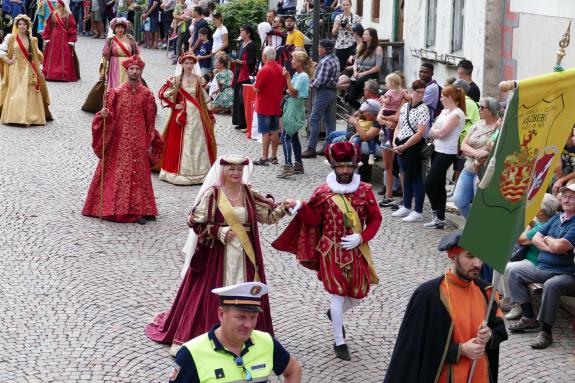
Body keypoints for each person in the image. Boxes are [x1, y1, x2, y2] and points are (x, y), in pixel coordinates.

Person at [145, 155, 293, 355]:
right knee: (212, 294)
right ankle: (213, 335)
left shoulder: (249, 192)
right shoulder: (213, 195)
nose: (236, 173)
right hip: (217, 255)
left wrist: (285, 207)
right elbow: (194, 221)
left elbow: (267, 216)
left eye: (239, 170)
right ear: (223, 171)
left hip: (245, 255)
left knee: (245, 294)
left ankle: (244, 335)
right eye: (231, 169)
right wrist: (219, 232)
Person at [273, 141, 382, 361]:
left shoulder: (365, 190)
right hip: (330, 250)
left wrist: (361, 237)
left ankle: (335, 314)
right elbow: (314, 220)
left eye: (348, 167)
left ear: (355, 166)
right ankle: (339, 342)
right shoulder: (323, 192)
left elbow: (375, 218)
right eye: (340, 167)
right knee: (338, 293)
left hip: (356, 249)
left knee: (360, 292)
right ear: (332, 167)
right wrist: (301, 207)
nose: (344, 171)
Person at [384, 231, 508, 382]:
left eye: (480, 257)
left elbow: (500, 330)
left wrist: (489, 336)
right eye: (470, 256)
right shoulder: (429, 295)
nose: (478, 263)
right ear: (453, 257)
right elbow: (416, 347)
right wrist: (460, 350)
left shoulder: (486, 292)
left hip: (479, 375)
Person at [82, 55, 163, 224]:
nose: (134, 71)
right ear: (127, 71)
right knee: (120, 171)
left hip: (139, 138)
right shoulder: (116, 92)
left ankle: (141, 208)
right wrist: (103, 116)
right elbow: (109, 115)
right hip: (120, 139)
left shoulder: (147, 94)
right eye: (132, 69)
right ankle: (117, 208)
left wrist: (149, 140)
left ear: (141, 71)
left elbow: (150, 120)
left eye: (137, 69)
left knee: (139, 172)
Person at [168, 282, 302, 383]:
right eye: (241, 317)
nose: (249, 325)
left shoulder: (267, 342)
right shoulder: (191, 353)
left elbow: (294, 370)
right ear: (221, 313)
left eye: (253, 317)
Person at [507, 183, 575, 349]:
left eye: (571, 197)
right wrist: (551, 245)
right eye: (565, 196)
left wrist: (549, 241)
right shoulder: (556, 218)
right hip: (543, 268)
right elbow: (536, 238)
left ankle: (546, 332)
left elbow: (560, 247)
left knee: (552, 285)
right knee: (514, 270)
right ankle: (529, 317)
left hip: (566, 274)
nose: (566, 199)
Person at [156, 53, 216, 185]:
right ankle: (180, 173)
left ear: (194, 65)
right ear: (182, 64)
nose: (189, 65)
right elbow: (162, 93)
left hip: (197, 116)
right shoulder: (176, 80)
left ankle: (201, 172)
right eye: (186, 63)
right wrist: (174, 105)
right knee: (180, 142)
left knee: (198, 142)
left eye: (191, 63)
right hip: (181, 116)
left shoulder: (198, 79)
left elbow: (204, 97)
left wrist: (210, 113)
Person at [497, 194, 560, 319]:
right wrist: (531, 222)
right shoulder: (544, 221)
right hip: (530, 258)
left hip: (535, 262)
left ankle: (514, 304)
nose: (531, 207)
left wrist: (527, 223)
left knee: (506, 266)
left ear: (541, 212)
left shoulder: (543, 226)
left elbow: (520, 239)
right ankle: (503, 297)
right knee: (499, 257)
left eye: (535, 206)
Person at [424, 85, 466, 229]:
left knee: (429, 183)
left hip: (447, 152)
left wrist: (436, 131)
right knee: (439, 185)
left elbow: (442, 133)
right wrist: (436, 131)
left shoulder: (457, 114)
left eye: (443, 96)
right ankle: (439, 218)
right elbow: (432, 131)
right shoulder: (445, 111)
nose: (440, 98)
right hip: (437, 149)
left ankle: (435, 212)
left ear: (450, 98)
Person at [390, 80, 430, 223]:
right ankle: (406, 205)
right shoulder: (405, 106)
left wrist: (405, 145)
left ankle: (418, 210)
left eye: (423, 93)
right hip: (400, 143)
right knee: (405, 175)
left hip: (413, 146)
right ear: (411, 91)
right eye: (418, 92)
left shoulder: (423, 109)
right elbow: (398, 126)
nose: (420, 95)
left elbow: (420, 133)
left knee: (416, 178)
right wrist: (395, 141)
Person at [0, 14, 52, 126]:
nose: (22, 26)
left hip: (29, 69)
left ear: (27, 26)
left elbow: (35, 56)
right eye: (20, 24)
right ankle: (14, 117)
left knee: (29, 93)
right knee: (15, 93)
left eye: (24, 24)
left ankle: (29, 118)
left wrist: (39, 71)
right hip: (15, 70)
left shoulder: (32, 40)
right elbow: (2, 51)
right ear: (17, 26)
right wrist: (7, 60)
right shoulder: (11, 38)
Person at [452, 97, 499, 218]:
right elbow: (463, 145)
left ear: (492, 110)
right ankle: (472, 225)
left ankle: (479, 229)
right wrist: (475, 153)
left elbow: (497, 147)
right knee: (459, 200)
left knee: (479, 204)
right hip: (468, 168)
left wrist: (482, 153)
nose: (479, 109)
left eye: (482, 107)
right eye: (479, 106)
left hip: (483, 171)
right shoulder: (477, 124)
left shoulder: (499, 127)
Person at [301, 39, 339, 158]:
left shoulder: (326, 61)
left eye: (320, 47)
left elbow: (320, 81)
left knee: (314, 118)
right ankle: (329, 146)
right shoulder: (335, 58)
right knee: (328, 121)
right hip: (331, 92)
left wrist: (310, 86)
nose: (318, 49)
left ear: (325, 49)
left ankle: (311, 148)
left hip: (323, 92)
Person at [277, 51, 312, 178]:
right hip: (294, 106)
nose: (291, 61)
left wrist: (286, 77)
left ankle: (288, 166)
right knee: (294, 136)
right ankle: (298, 164)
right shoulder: (298, 74)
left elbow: (293, 92)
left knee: (285, 137)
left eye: (293, 59)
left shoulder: (302, 76)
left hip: (294, 107)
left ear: (300, 62)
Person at [377, 73, 409, 207]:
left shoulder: (403, 96)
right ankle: (389, 195)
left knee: (402, 167)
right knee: (388, 166)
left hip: (399, 135)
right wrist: (384, 120)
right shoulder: (393, 94)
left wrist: (384, 119)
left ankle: (405, 197)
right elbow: (379, 116)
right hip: (387, 133)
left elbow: (396, 118)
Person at [252, 46, 286, 166]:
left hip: (264, 105)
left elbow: (256, 88)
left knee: (265, 132)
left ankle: (264, 157)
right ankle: (274, 156)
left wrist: (254, 85)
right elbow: (283, 87)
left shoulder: (264, 70)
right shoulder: (280, 69)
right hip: (276, 104)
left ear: (265, 56)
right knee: (275, 130)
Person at [344, 28, 383, 110]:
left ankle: (366, 109)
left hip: (371, 74)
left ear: (371, 36)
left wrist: (363, 74)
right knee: (350, 98)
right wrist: (355, 71)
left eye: (366, 34)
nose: (363, 36)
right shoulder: (361, 46)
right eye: (364, 34)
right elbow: (356, 62)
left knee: (358, 82)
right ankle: (362, 110)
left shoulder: (378, 49)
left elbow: (377, 67)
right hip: (359, 72)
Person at [42, 0, 79, 82]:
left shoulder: (68, 15)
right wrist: (47, 37)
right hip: (53, 38)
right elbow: (48, 26)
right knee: (53, 55)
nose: (56, 3)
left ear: (62, 4)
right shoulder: (53, 14)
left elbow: (72, 28)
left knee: (63, 55)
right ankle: (50, 73)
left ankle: (63, 74)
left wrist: (71, 40)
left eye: (58, 2)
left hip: (64, 39)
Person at [100, 17, 139, 89]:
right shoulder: (111, 40)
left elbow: (136, 54)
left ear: (125, 29)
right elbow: (105, 56)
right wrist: (102, 72)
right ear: (114, 29)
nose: (120, 29)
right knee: (116, 87)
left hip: (128, 67)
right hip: (115, 66)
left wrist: (136, 69)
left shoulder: (130, 39)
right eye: (118, 27)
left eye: (122, 27)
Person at [231, 25, 256, 131]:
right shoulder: (241, 44)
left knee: (243, 98)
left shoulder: (252, 45)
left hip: (245, 74)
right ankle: (239, 121)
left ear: (248, 33)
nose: (241, 33)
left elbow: (252, 61)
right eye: (240, 31)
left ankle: (245, 122)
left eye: (243, 31)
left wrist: (240, 62)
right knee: (237, 97)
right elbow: (238, 57)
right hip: (238, 72)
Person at [331, 0, 360, 73]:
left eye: (347, 5)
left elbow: (359, 33)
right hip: (340, 45)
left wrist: (348, 27)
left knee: (351, 65)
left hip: (352, 44)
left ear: (350, 5)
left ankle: (349, 81)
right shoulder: (338, 17)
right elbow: (333, 33)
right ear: (341, 6)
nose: (345, 6)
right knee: (340, 66)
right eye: (344, 5)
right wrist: (337, 26)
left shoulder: (356, 18)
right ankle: (341, 81)